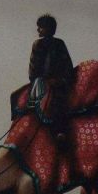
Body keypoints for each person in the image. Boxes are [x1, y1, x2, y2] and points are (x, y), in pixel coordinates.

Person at [28, 14, 74, 143]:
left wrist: (60, 80)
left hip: (58, 82)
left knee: (58, 102)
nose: (38, 30)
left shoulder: (59, 44)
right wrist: (40, 80)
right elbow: (33, 68)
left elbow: (67, 65)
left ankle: (60, 132)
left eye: (41, 27)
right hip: (41, 81)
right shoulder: (37, 44)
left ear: (48, 28)